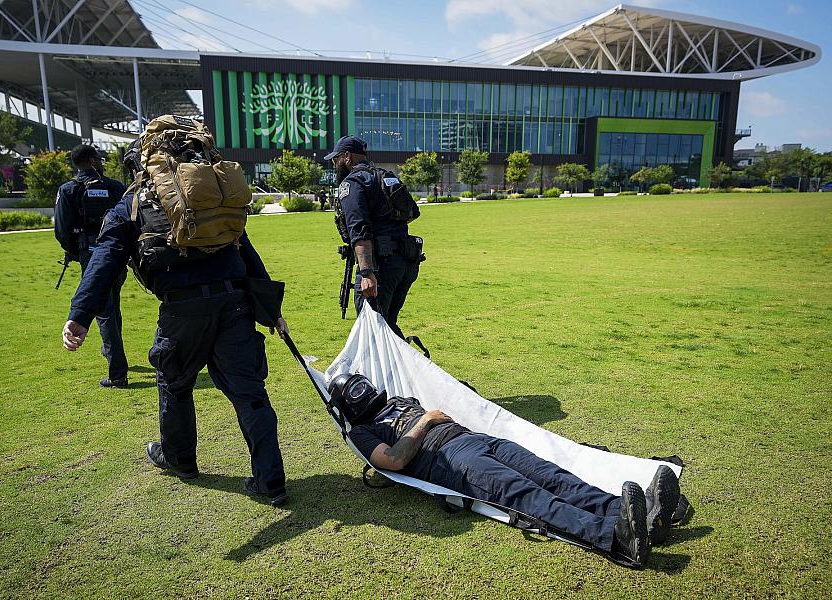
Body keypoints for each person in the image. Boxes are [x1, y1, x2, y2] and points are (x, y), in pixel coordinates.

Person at [60, 146, 291, 505]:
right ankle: (270, 479)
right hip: (235, 304)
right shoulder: (209, 199)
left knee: (174, 383)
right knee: (249, 392)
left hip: (183, 310)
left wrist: (79, 314)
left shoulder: (133, 205)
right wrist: (271, 310)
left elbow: (104, 260)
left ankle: (180, 460)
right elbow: (244, 250)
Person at [329, 373, 681, 567]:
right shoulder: (361, 431)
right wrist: (426, 419)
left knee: (555, 477)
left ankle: (641, 518)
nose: (363, 390)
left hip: (479, 440)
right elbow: (393, 460)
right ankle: (618, 538)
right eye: (355, 390)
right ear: (348, 404)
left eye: (362, 383)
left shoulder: (397, 400)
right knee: (532, 498)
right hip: (450, 461)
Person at [326, 136, 423, 339]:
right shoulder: (385, 176)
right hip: (405, 263)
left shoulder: (352, 183)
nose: (334, 165)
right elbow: (412, 212)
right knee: (386, 327)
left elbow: (359, 229)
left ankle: (408, 370)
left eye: (335, 160)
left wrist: (367, 272)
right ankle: (401, 369)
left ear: (347, 157)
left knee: (371, 329)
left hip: (380, 266)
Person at [54, 144, 129, 388]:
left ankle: (117, 374)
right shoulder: (116, 187)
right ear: (92, 160)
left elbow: (62, 231)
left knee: (104, 312)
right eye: (99, 157)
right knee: (111, 306)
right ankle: (112, 354)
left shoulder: (69, 190)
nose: (102, 161)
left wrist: (78, 252)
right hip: (118, 257)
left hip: (91, 258)